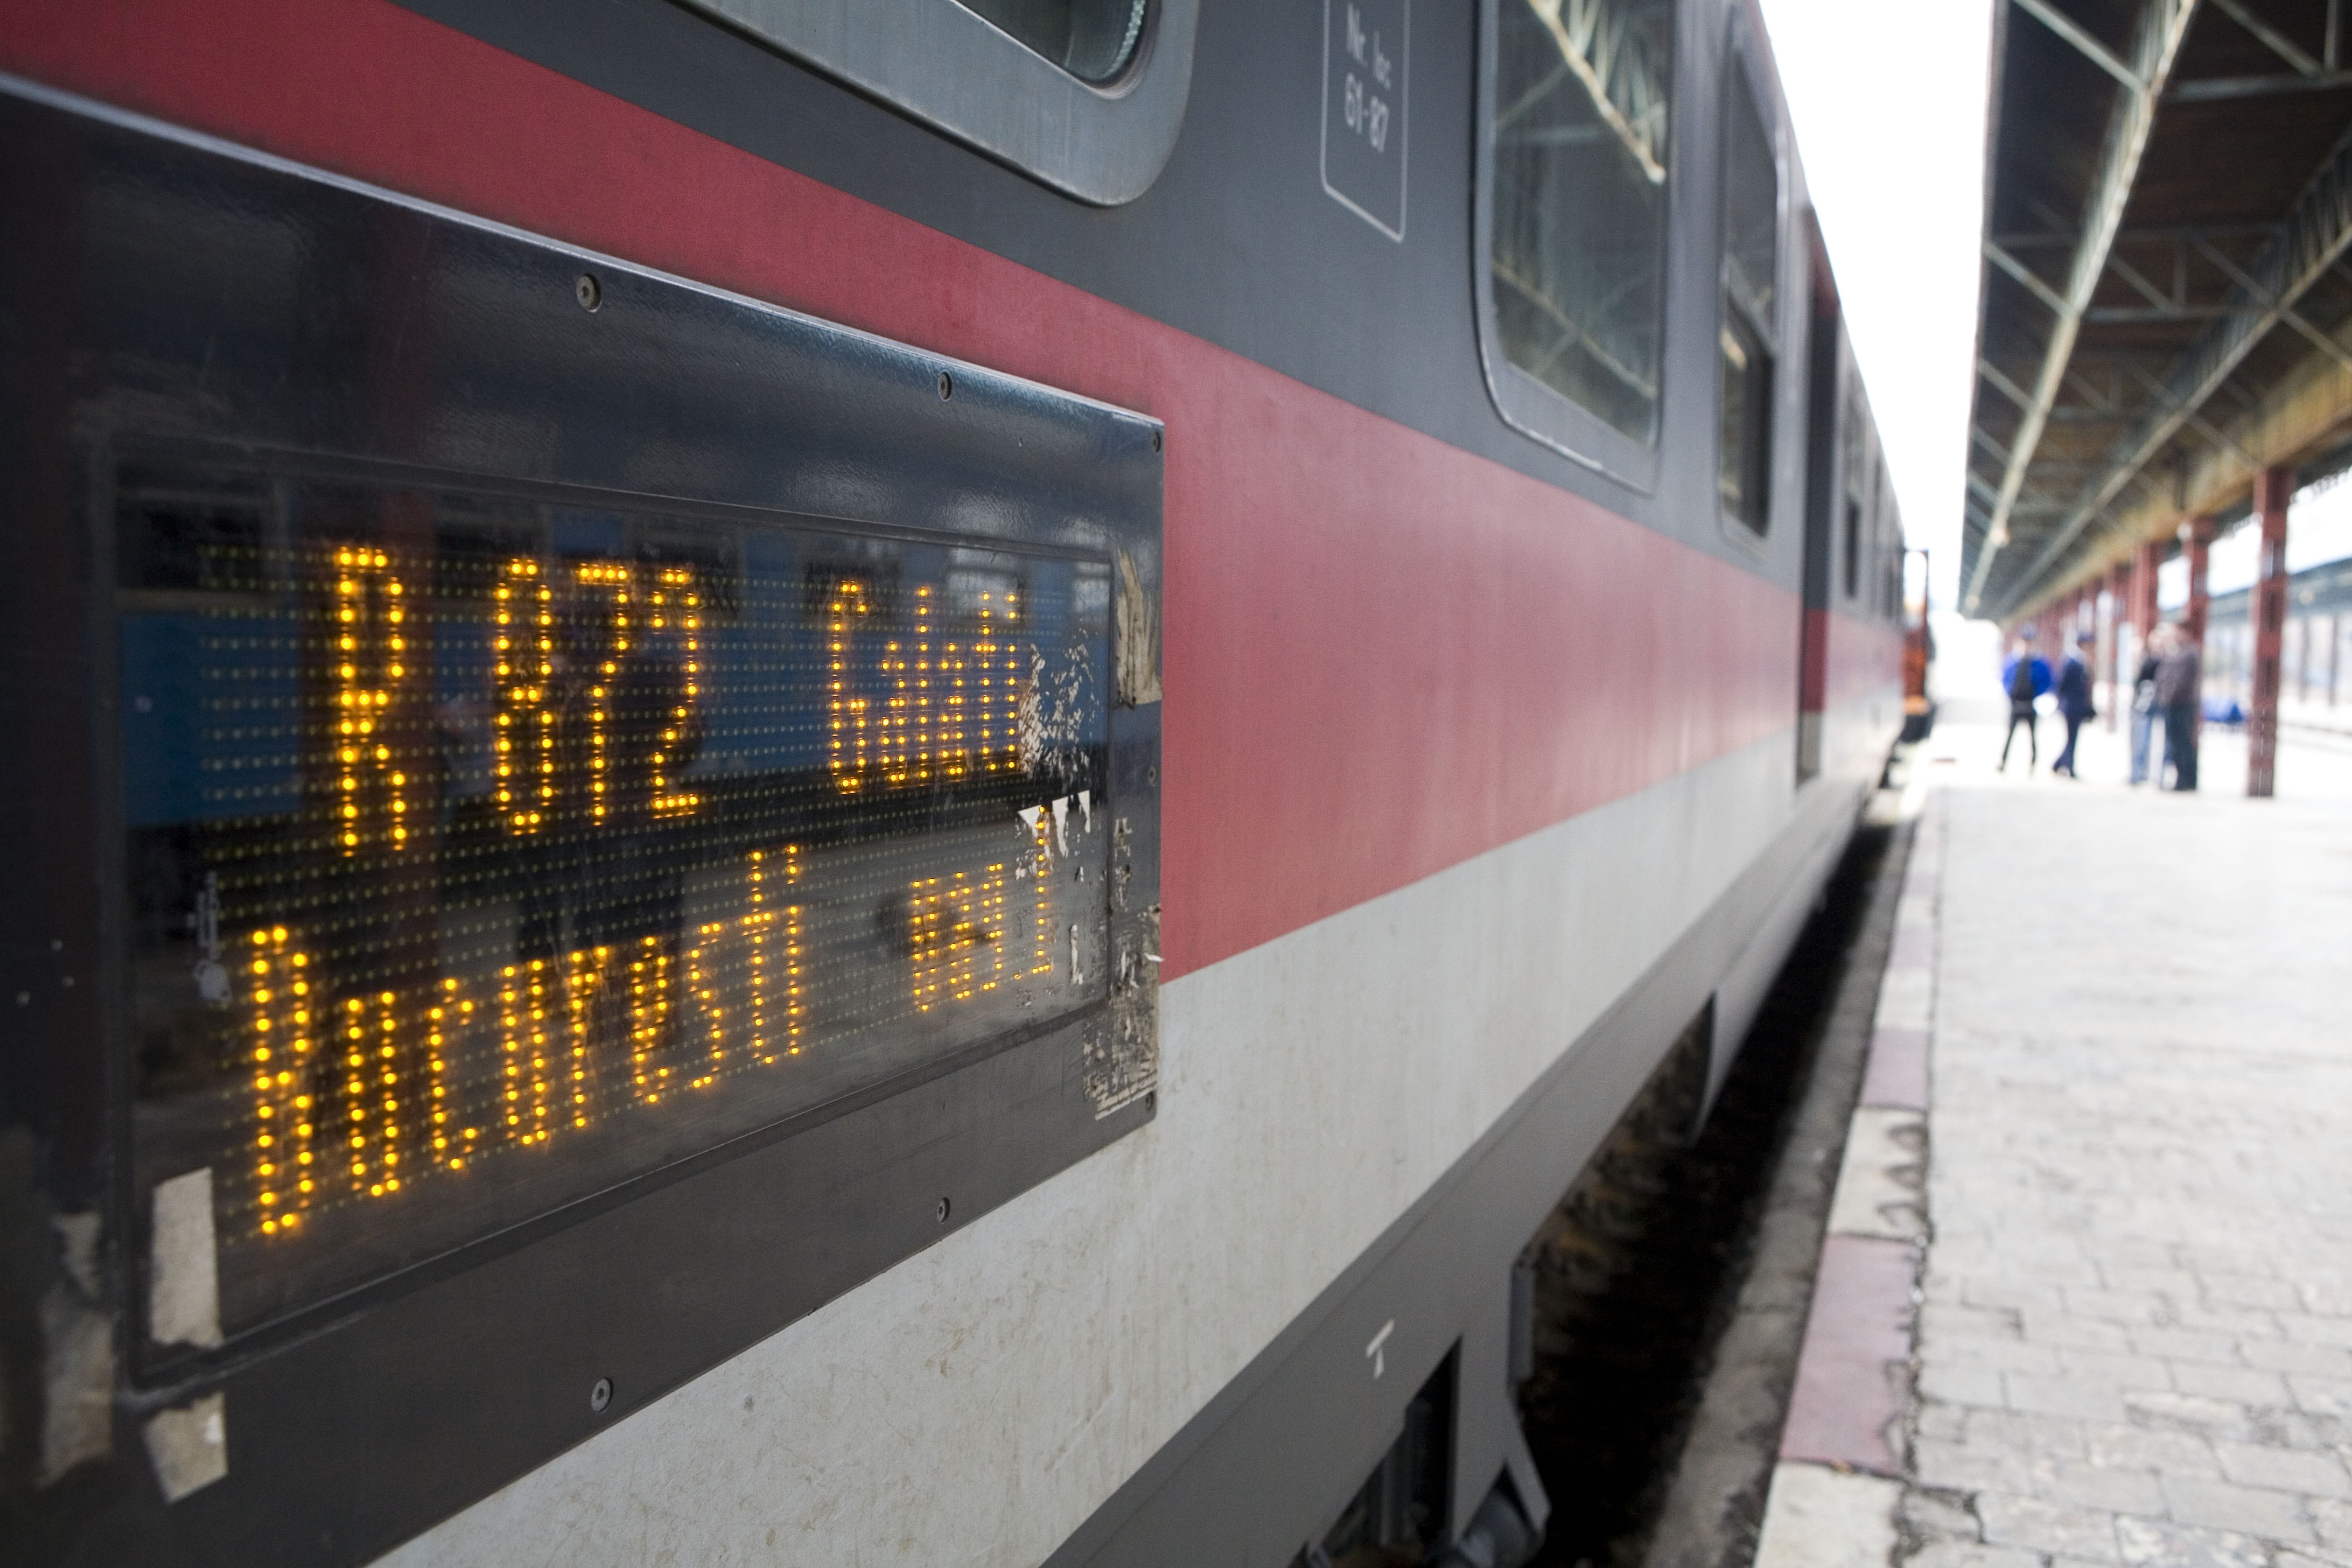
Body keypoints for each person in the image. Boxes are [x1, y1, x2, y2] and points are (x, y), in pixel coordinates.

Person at [2154, 625, 2202, 791]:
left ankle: (2186, 780)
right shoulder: (2176, 652)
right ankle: (2182, 779)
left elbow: (2180, 682)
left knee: (2183, 745)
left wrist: (2168, 697)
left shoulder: (2188, 654)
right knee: (2175, 745)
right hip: (2173, 705)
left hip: (2181, 705)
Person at [1998, 632, 2052, 772]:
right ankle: (2003, 762)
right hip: (2016, 704)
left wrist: (2038, 696)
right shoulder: (2013, 661)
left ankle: (2033, 764)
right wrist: (2011, 695)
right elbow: (2005, 680)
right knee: (2010, 735)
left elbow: (2047, 681)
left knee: (2033, 737)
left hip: (2031, 704)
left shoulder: (2039, 663)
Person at [2128, 624, 2168, 786]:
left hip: (2157, 704)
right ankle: (2139, 773)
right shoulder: (2149, 658)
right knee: (2140, 739)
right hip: (2144, 704)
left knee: (2158, 741)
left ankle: (2154, 776)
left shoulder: (2164, 659)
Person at [2052, 631, 2096, 778]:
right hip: (2071, 704)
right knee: (2072, 736)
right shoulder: (2072, 661)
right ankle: (2067, 767)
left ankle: (2060, 764)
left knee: (2073, 737)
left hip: (2076, 704)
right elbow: (2063, 684)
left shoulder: (2078, 659)